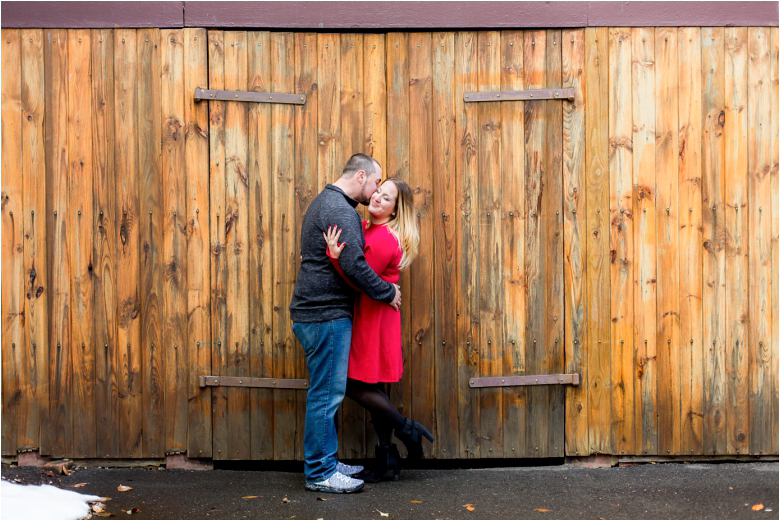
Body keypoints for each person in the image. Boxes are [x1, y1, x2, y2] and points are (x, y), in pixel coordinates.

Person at [290, 153, 402, 494]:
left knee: (327, 393)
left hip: (315, 313)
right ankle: (320, 472)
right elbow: (354, 265)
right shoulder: (342, 211)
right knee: (326, 396)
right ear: (361, 177)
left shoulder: (326, 202)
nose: (376, 191)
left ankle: (325, 460)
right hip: (325, 314)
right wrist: (387, 292)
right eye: (375, 183)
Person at [324, 177, 434, 483]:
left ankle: (407, 429)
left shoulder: (386, 237)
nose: (377, 199)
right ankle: (387, 454)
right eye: (378, 192)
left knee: (354, 384)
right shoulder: (367, 227)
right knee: (376, 387)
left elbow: (360, 278)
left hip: (375, 319)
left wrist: (334, 260)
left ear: (395, 211)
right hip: (372, 314)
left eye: (386, 199)